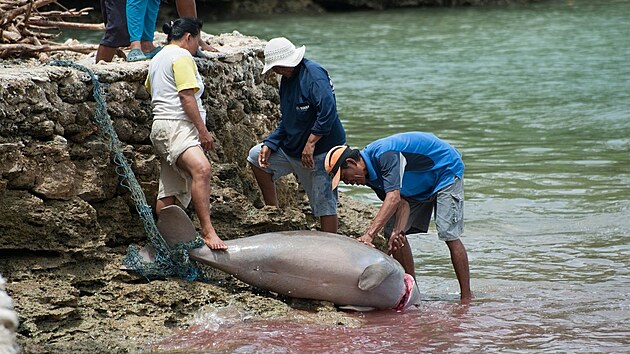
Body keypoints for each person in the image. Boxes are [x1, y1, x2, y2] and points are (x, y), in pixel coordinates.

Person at [324, 132, 472, 302]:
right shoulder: (370, 178)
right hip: (419, 185)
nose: (348, 182)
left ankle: (466, 298)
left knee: (448, 234)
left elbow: (393, 197)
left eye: (344, 177)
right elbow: (402, 204)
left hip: (445, 171)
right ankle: (413, 292)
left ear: (351, 162)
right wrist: (398, 231)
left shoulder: (384, 154)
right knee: (391, 233)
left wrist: (369, 234)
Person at [247, 37, 346, 233]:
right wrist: (270, 142)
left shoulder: (314, 76)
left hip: (322, 151)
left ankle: (330, 249)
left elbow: (328, 112)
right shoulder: (286, 80)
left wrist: (311, 143)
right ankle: (273, 213)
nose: (275, 71)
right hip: (293, 148)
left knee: (324, 203)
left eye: (276, 67)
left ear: (286, 63)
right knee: (255, 157)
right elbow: (288, 118)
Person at [145, 17, 227, 249]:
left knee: (169, 191)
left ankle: (164, 244)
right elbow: (185, 96)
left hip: (160, 126)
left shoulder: (157, 57)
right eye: (198, 40)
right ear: (189, 37)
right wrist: (203, 131)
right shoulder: (182, 56)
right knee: (202, 169)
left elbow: (151, 89)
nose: (199, 45)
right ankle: (208, 231)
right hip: (177, 126)